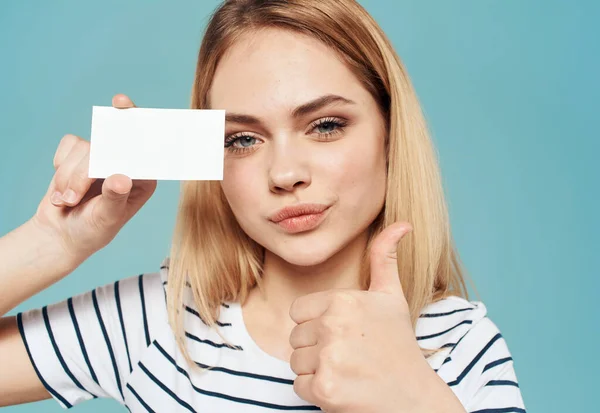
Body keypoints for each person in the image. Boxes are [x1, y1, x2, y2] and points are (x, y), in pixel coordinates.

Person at [0, 0, 526, 412]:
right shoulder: (160, 324)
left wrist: (415, 403)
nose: (285, 174)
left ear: (390, 133)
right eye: (243, 140)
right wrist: (53, 243)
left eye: (325, 126)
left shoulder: (458, 344)